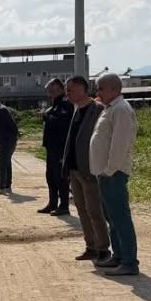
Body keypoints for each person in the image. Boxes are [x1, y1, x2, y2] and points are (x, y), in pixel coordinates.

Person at [90, 72, 139, 276]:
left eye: (100, 88)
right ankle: (118, 256)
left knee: (120, 217)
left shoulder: (121, 109)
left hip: (114, 173)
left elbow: (120, 144)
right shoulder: (110, 108)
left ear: (114, 89)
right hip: (105, 172)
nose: (97, 92)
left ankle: (129, 261)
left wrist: (110, 170)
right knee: (111, 217)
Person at [60, 76, 111, 264]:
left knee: (95, 211)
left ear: (83, 88)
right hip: (75, 169)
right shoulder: (77, 110)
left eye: (70, 89)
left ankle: (103, 248)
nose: (68, 93)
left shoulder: (97, 110)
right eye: (67, 90)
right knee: (82, 210)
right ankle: (91, 246)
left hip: (89, 170)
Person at [37, 78, 73, 215]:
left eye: (50, 88)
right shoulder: (54, 105)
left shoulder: (65, 104)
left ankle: (64, 206)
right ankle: (52, 203)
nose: (48, 91)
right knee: (50, 177)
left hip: (60, 147)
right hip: (51, 147)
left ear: (58, 88)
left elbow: (62, 124)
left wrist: (46, 117)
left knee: (61, 178)